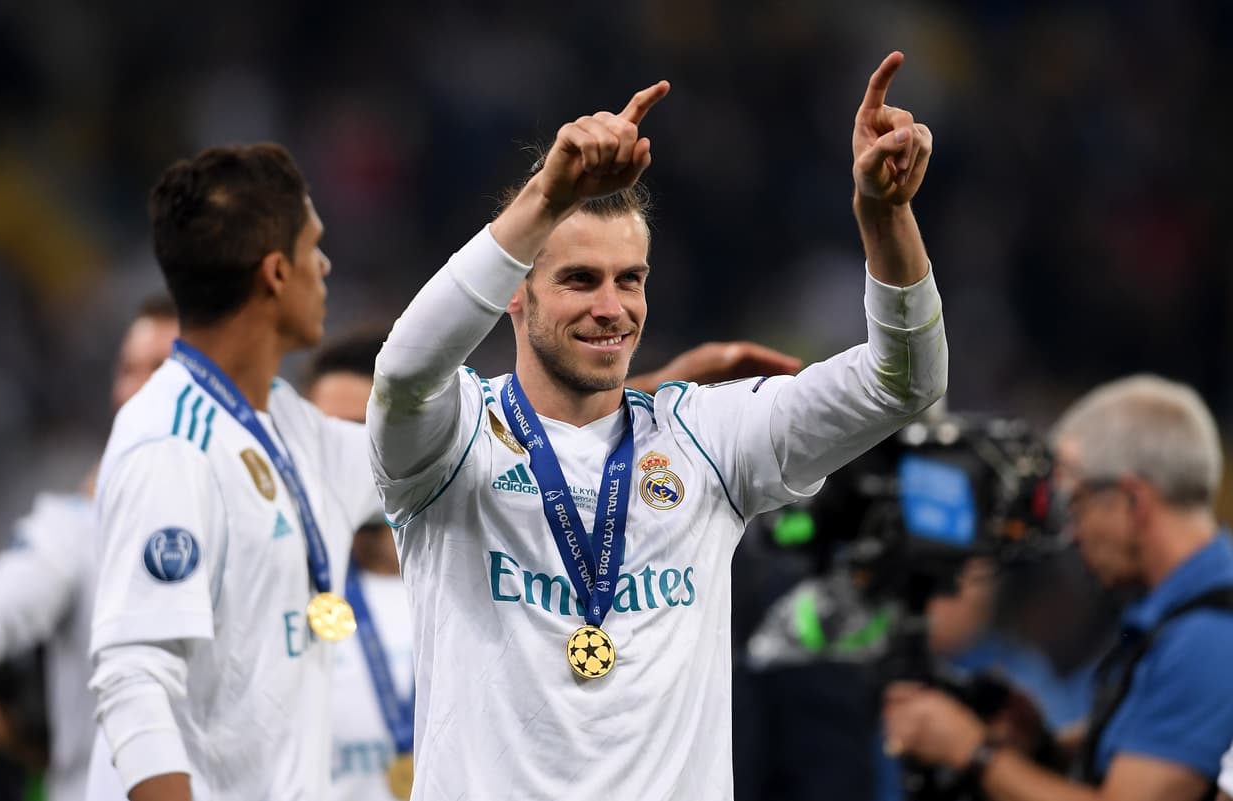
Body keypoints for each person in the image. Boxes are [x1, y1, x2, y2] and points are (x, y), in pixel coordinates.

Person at [367, 50, 946, 799]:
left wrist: (886, 217)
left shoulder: (709, 437)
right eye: (579, 279)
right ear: (516, 295)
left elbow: (907, 381)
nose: (612, 307)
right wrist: (545, 195)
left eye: (629, 279)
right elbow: (405, 369)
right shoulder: (452, 440)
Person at [310, 331, 800, 801]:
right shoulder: (291, 588)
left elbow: (562, 444)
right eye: (336, 434)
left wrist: (643, 397)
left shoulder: (515, 567)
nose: (367, 449)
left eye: (367, 427)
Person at [87, 144, 380, 801]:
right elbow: (134, 676)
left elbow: (427, 450)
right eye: (315, 247)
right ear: (277, 272)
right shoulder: (170, 439)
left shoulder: (284, 422)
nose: (327, 266)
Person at [883, 375, 1233, 801]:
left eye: (1076, 503)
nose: (1073, 533)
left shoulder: (1207, 634)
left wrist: (971, 751)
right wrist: (1041, 746)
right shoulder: (1187, 612)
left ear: (1133, 501)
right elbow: (1145, 759)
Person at [0, 297, 176, 801]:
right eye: (128, 369)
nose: (138, 387)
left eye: (161, 367)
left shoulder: (269, 520)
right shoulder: (74, 531)